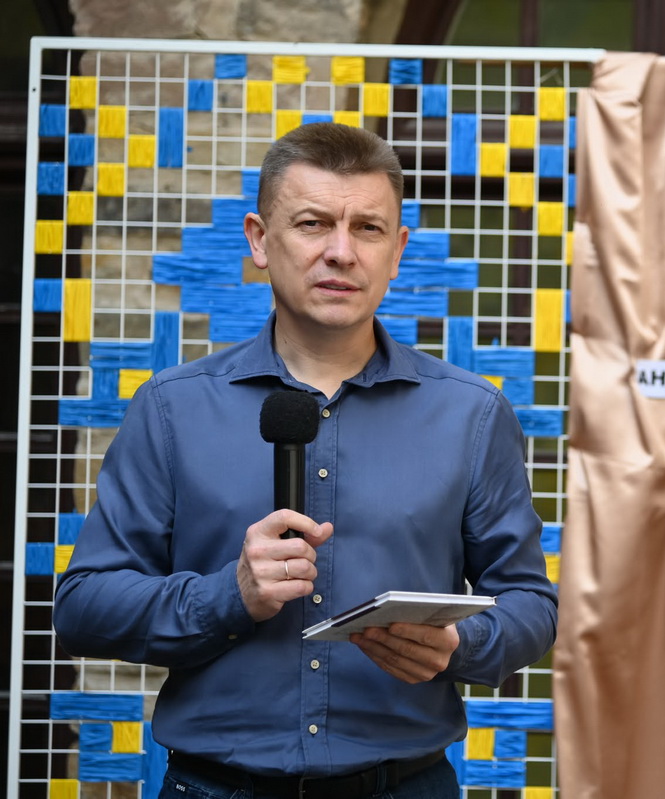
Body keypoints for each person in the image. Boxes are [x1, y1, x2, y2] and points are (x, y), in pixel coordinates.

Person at [53, 122, 558, 799]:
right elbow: (83, 606)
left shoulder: (471, 414)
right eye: (313, 223)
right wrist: (226, 597)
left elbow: (531, 603)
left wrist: (462, 645)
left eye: (368, 229)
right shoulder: (172, 408)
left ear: (398, 251)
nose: (341, 252)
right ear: (260, 240)